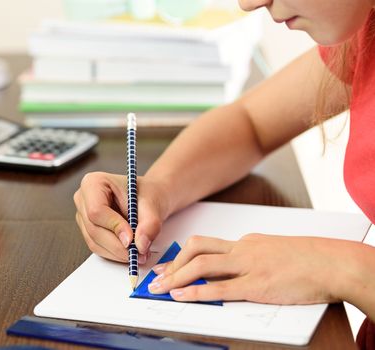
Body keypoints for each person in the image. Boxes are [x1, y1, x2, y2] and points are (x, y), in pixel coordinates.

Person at [73, 0, 375, 347]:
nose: (248, 3)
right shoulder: (364, 34)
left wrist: (341, 268)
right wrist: (159, 188)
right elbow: (251, 123)